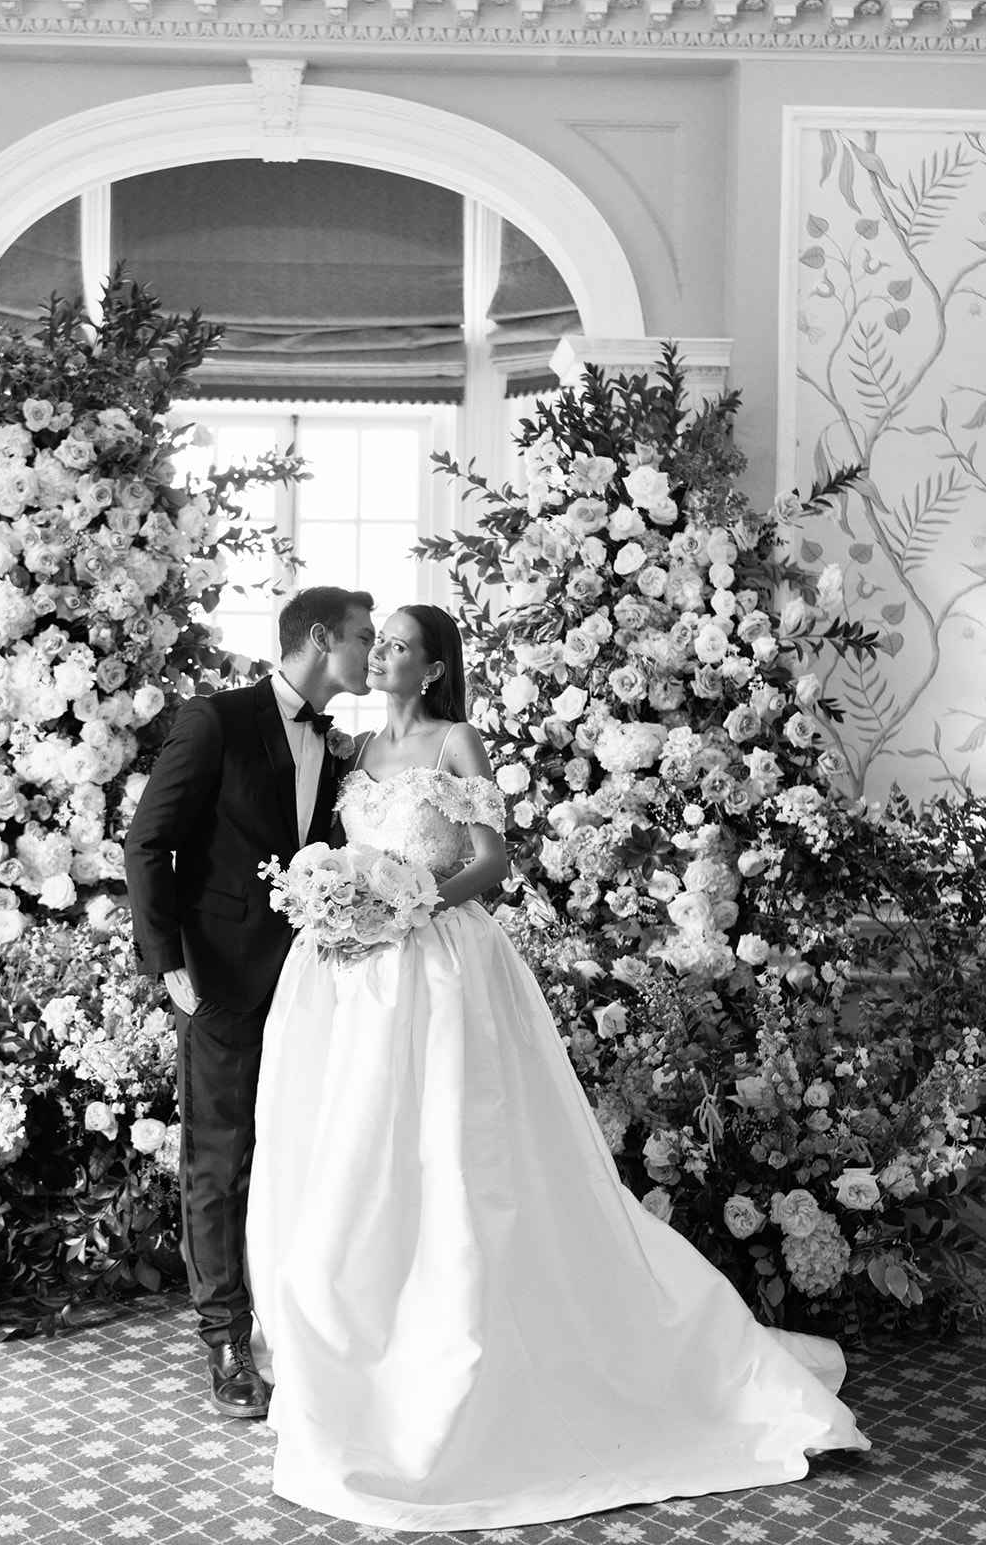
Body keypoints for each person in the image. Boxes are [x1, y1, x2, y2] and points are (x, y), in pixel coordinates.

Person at [245, 603, 869, 1531]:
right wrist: (341, 896)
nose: (381, 656)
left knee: (457, 1156)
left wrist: (410, 901)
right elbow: (347, 853)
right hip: (358, 978)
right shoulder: (359, 753)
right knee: (359, 1150)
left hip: (439, 964)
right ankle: (364, 1342)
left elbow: (490, 862)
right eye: (379, 643)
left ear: (435, 668)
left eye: (400, 646)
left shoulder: (457, 742)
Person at [124, 584, 375, 1419]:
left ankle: (302, 1325)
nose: (372, 652)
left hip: (314, 984)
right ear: (319, 638)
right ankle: (226, 1342)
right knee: (219, 1158)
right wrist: (169, 965)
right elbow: (148, 841)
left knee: (305, 1152)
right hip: (222, 981)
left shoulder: (340, 748)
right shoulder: (217, 720)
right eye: (363, 637)